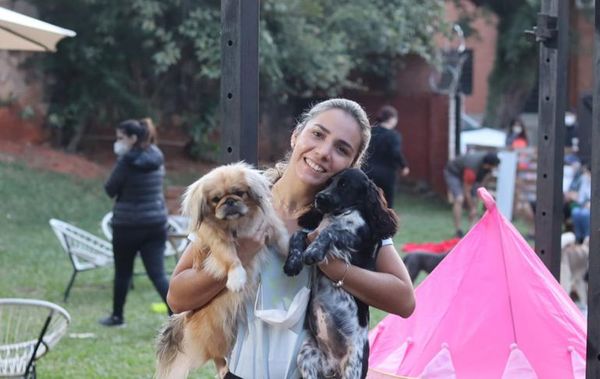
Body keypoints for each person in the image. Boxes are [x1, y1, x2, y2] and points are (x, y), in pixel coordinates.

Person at [167, 98, 415, 378]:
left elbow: (404, 300)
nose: (323, 152)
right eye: (318, 134)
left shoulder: (352, 220)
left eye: (341, 149)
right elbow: (177, 297)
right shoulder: (241, 200)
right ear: (296, 134)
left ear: (351, 164)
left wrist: (336, 269)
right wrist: (239, 258)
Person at [99, 118, 172, 327]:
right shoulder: (157, 156)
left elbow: (110, 189)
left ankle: (117, 316)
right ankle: (176, 315)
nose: (118, 142)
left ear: (132, 138)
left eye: (120, 138)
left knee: (123, 272)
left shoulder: (126, 161)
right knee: (158, 274)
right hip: (156, 223)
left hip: (127, 225)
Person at [443, 151, 501, 238]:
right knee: (459, 199)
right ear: (488, 165)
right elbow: (467, 190)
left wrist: (476, 205)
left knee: (474, 201)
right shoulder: (472, 168)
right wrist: (472, 208)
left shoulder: (486, 168)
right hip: (454, 173)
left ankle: (471, 231)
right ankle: (458, 231)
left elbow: (481, 188)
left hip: (469, 175)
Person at [363, 105, 409, 208]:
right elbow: (395, 152)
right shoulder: (393, 135)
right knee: (387, 205)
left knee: (367, 202)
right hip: (387, 175)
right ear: (392, 119)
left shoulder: (370, 132)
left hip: (367, 171)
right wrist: (404, 166)